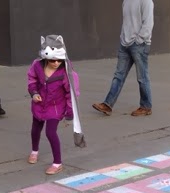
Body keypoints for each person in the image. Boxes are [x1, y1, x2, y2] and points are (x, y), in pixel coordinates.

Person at [27, 35, 85, 175]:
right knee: (35, 129)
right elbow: (32, 79)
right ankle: (34, 151)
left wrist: (69, 112)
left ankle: (57, 163)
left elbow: (72, 93)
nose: (56, 63)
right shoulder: (37, 65)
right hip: (39, 104)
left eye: (59, 60)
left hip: (56, 107)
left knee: (50, 132)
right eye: (53, 60)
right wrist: (34, 93)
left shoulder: (66, 72)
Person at [92, 0, 154, 117]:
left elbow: (148, 24)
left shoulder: (146, 1)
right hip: (124, 44)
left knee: (142, 77)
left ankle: (146, 106)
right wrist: (123, 38)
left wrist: (139, 40)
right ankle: (108, 104)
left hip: (139, 45)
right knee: (118, 76)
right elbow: (126, 22)